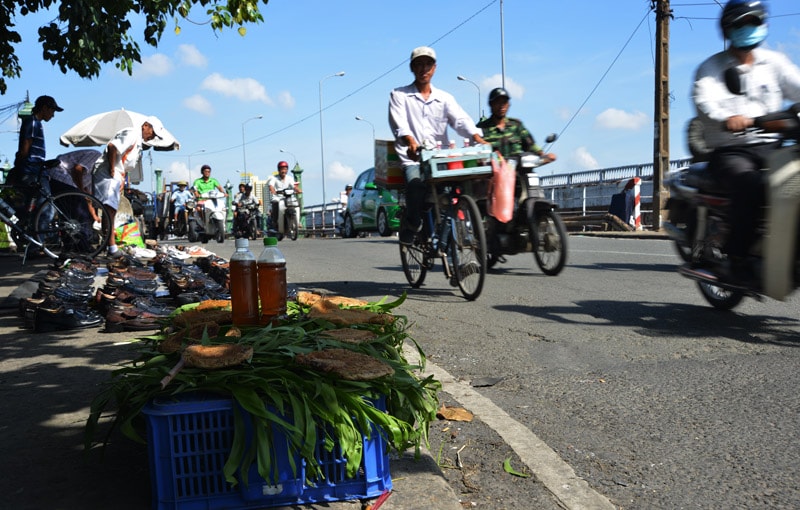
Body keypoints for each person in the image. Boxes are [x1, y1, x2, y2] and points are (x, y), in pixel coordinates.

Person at [692, 0, 800, 281]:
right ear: (728, 29)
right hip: (731, 149)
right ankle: (736, 258)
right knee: (751, 185)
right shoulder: (711, 69)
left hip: (773, 146)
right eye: (741, 23)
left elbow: (797, 87)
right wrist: (728, 119)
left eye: (753, 22)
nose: (747, 28)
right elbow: (704, 103)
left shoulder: (775, 62)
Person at [388, 46, 487, 245]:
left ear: (434, 68)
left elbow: (460, 120)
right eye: (419, 64)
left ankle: (461, 241)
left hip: (440, 159)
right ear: (412, 68)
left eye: (428, 64)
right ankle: (413, 223)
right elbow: (398, 124)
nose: (424, 69)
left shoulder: (444, 98)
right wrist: (410, 142)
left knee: (461, 190)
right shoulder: (399, 95)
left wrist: (478, 137)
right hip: (414, 159)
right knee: (415, 187)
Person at [93, 117, 161, 257]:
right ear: (146, 126)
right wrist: (112, 170)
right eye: (152, 133)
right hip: (109, 173)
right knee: (110, 210)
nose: (152, 137)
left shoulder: (138, 140)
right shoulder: (131, 133)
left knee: (109, 210)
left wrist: (121, 176)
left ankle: (109, 246)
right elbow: (113, 147)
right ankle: (112, 247)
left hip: (117, 174)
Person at [13, 95, 63, 189]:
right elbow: (25, 149)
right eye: (52, 111)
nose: (53, 115)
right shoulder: (32, 122)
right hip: (32, 171)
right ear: (44, 108)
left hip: (35, 170)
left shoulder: (36, 123)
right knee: (45, 202)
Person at [268, 161, 300, 229]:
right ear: (279, 170)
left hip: (288, 197)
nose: (284, 171)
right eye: (282, 169)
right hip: (278, 197)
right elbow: (271, 186)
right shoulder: (274, 178)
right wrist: (273, 191)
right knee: (275, 203)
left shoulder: (289, 178)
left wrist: (298, 190)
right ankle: (275, 221)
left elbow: (294, 186)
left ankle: (297, 221)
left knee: (295, 203)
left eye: (285, 169)